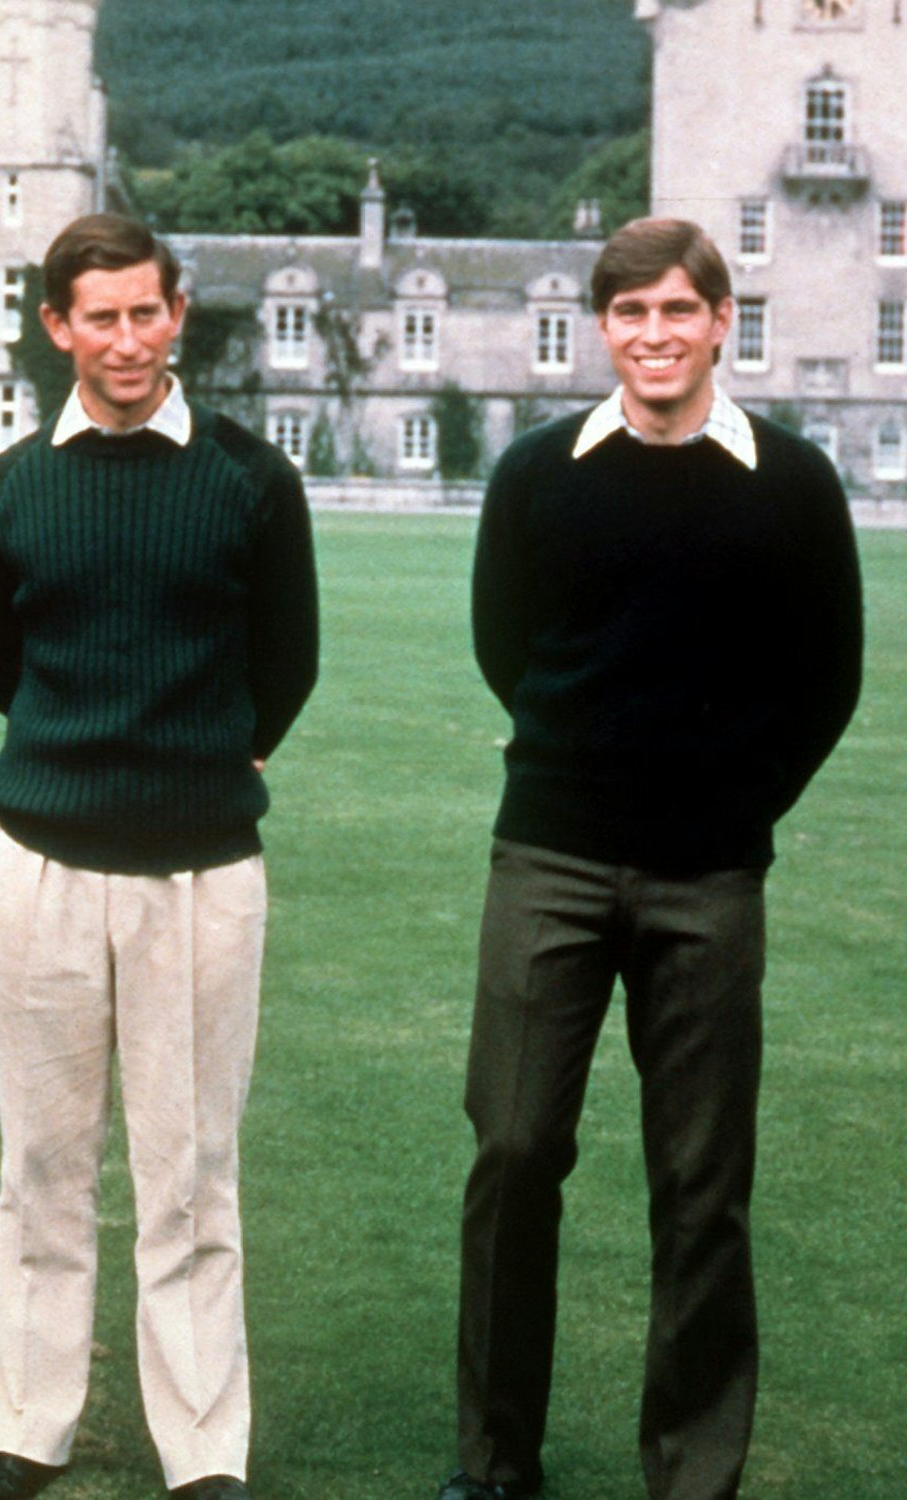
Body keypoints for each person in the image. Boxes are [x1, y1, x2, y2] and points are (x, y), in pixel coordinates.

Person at [438, 218, 863, 1500]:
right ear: (600, 328)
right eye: (628, 314)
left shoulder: (788, 483)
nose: (653, 335)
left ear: (721, 321)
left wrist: (730, 802)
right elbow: (503, 650)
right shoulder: (534, 474)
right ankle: (494, 1457)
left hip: (709, 877)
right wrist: (587, 767)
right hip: (550, 858)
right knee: (511, 1151)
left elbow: (823, 680)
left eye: (677, 310)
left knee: (698, 1181)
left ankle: (690, 1470)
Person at [0, 212, 318, 1500]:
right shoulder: (1, 491)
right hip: (42, 859)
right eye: (95, 317)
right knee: (42, 1165)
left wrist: (202, 760)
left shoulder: (250, 481)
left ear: (175, 316)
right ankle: (26, 1428)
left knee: (189, 1173)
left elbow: (286, 665)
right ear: (57, 327)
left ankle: (200, 1452)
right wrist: (82, 759)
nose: (123, 340)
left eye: (143, 313)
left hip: (202, 871)